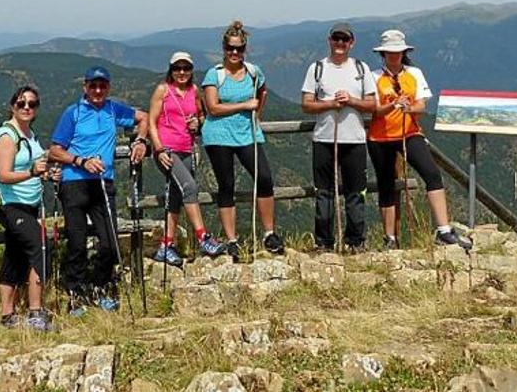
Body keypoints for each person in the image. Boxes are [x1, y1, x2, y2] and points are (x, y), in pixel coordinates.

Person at [48, 66, 149, 316]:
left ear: (108, 88)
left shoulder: (113, 109)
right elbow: (54, 150)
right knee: (77, 243)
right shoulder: (73, 113)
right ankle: (76, 293)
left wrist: (140, 140)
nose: (97, 90)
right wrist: (81, 161)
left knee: (109, 243)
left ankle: (100, 285)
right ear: (85, 87)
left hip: (104, 181)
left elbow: (144, 117)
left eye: (102, 85)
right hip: (74, 183)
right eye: (93, 85)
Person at [367, 30, 472, 250]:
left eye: (398, 51)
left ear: (404, 52)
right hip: (381, 136)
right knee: (386, 186)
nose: (394, 55)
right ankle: (390, 239)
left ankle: (443, 230)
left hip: (409, 132)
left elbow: (421, 106)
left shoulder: (414, 73)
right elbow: (374, 110)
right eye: (390, 52)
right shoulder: (373, 76)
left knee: (432, 174)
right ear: (383, 53)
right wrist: (392, 105)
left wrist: (409, 107)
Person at [201, 20, 285, 261]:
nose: (234, 53)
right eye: (230, 48)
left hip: (247, 132)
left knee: (265, 178)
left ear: (245, 49)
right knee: (226, 185)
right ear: (224, 48)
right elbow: (213, 108)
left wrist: (257, 115)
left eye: (239, 48)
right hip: (218, 135)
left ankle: (269, 233)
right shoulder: (214, 74)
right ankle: (232, 240)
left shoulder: (253, 72)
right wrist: (246, 106)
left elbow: (263, 91)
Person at [300, 22, 377, 253]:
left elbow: (373, 104)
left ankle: (355, 242)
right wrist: (332, 104)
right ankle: (324, 243)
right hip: (324, 139)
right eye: (337, 39)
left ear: (351, 43)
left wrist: (351, 101)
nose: (340, 43)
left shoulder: (361, 69)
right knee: (324, 194)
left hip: (354, 140)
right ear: (330, 40)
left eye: (345, 40)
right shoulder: (317, 69)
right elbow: (306, 104)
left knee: (356, 193)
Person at [0, 85, 61, 331]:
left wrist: (44, 173)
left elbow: (34, 167)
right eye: (22, 103)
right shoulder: (6, 136)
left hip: (28, 204)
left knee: (15, 254)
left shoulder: (30, 135)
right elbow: (4, 175)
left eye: (32, 104)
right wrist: (32, 172)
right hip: (11, 205)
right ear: (13, 106)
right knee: (41, 246)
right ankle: (35, 313)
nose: (27, 108)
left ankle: (7, 316)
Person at [148, 51, 227, 265]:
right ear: (171, 70)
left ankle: (166, 245)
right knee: (190, 187)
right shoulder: (162, 90)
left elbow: (201, 115)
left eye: (186, 68)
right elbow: (151, 122)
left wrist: (198, 123)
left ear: (191, 70)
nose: (181, 72)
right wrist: (159, 149)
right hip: (167, 150)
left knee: (176, 196)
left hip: (186, 148)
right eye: (177, 68)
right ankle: (203, 237)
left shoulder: (194, 91)